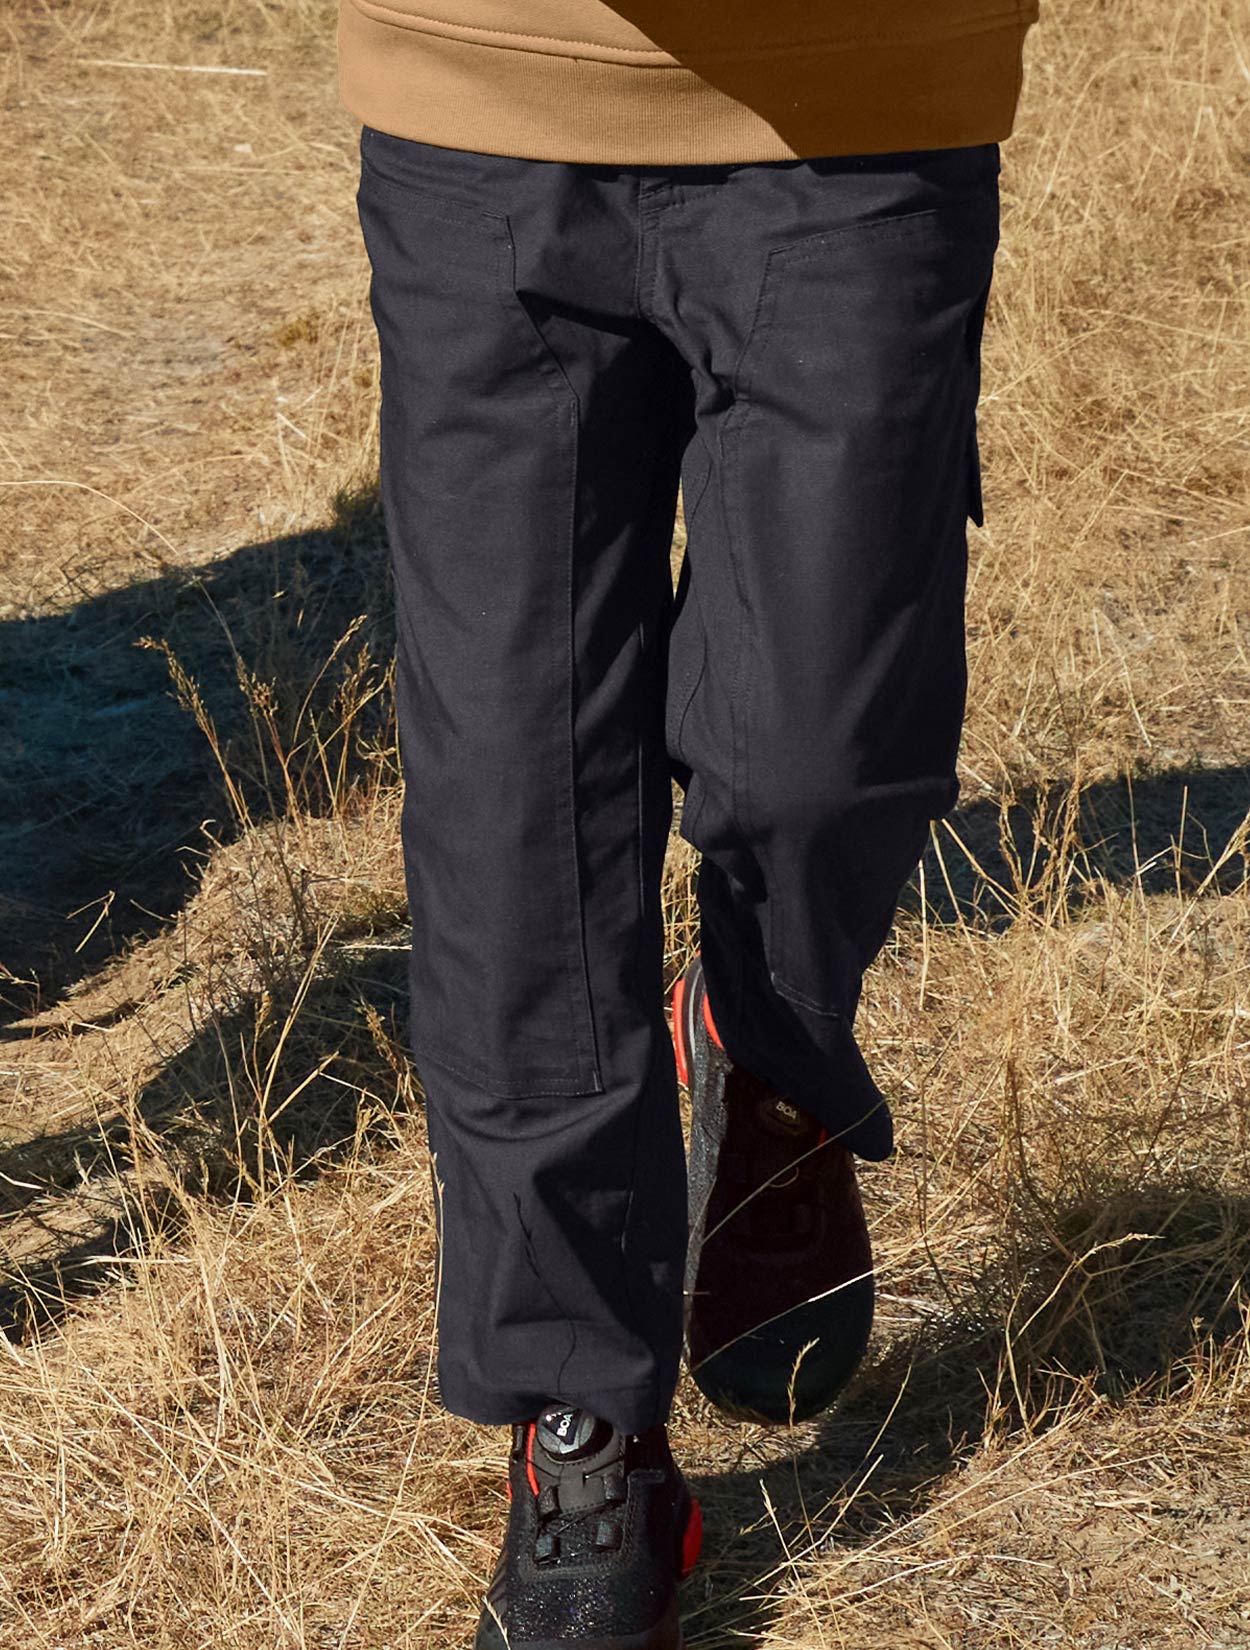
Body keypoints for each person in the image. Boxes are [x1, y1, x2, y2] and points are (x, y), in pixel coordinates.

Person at [338, 2, 1038, 1643]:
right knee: (513, 797)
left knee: (825, 757)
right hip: (479, 92)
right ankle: (579, 1418)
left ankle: (764, 1048)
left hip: (861, 92)